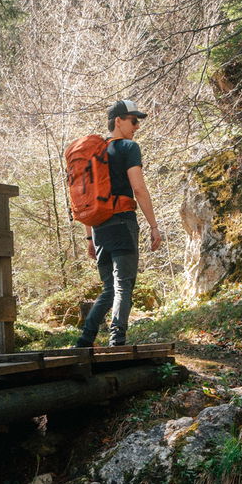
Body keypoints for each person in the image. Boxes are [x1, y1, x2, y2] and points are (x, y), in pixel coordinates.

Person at [75, 99, 161, 348]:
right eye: (133, 121)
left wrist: (89, 237)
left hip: (100, 227)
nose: (137, 126)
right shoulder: (128, 148)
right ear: (118, 121)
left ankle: (85, 338)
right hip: (123, 222)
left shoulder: (94, 154)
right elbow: (139, 189)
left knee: (109, 288)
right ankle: (117, 339)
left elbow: (86, 198)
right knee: (123, 285)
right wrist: (154, 226)